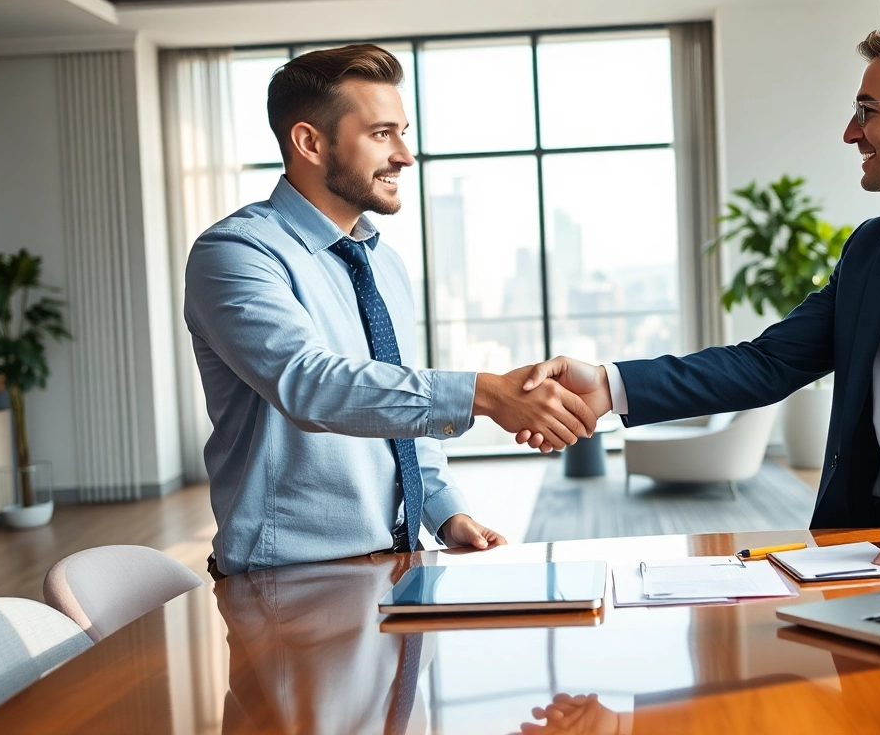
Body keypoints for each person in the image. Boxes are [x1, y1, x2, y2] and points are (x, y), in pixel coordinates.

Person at [518, 24, 880, 568]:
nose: (850, 132)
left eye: (866, 111)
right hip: (868, 547)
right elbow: (769, 362)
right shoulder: (873, 248)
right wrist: (610, 384)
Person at [185, 44, 597, 576]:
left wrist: (445, 512)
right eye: (382, 134)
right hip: (289, 579)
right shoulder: (237, 252)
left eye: (403, 133)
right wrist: (484, 394)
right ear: (309, 142)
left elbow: (394, 401)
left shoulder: (384, 262)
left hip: (399, 560)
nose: (404, 155)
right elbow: (310, 385)